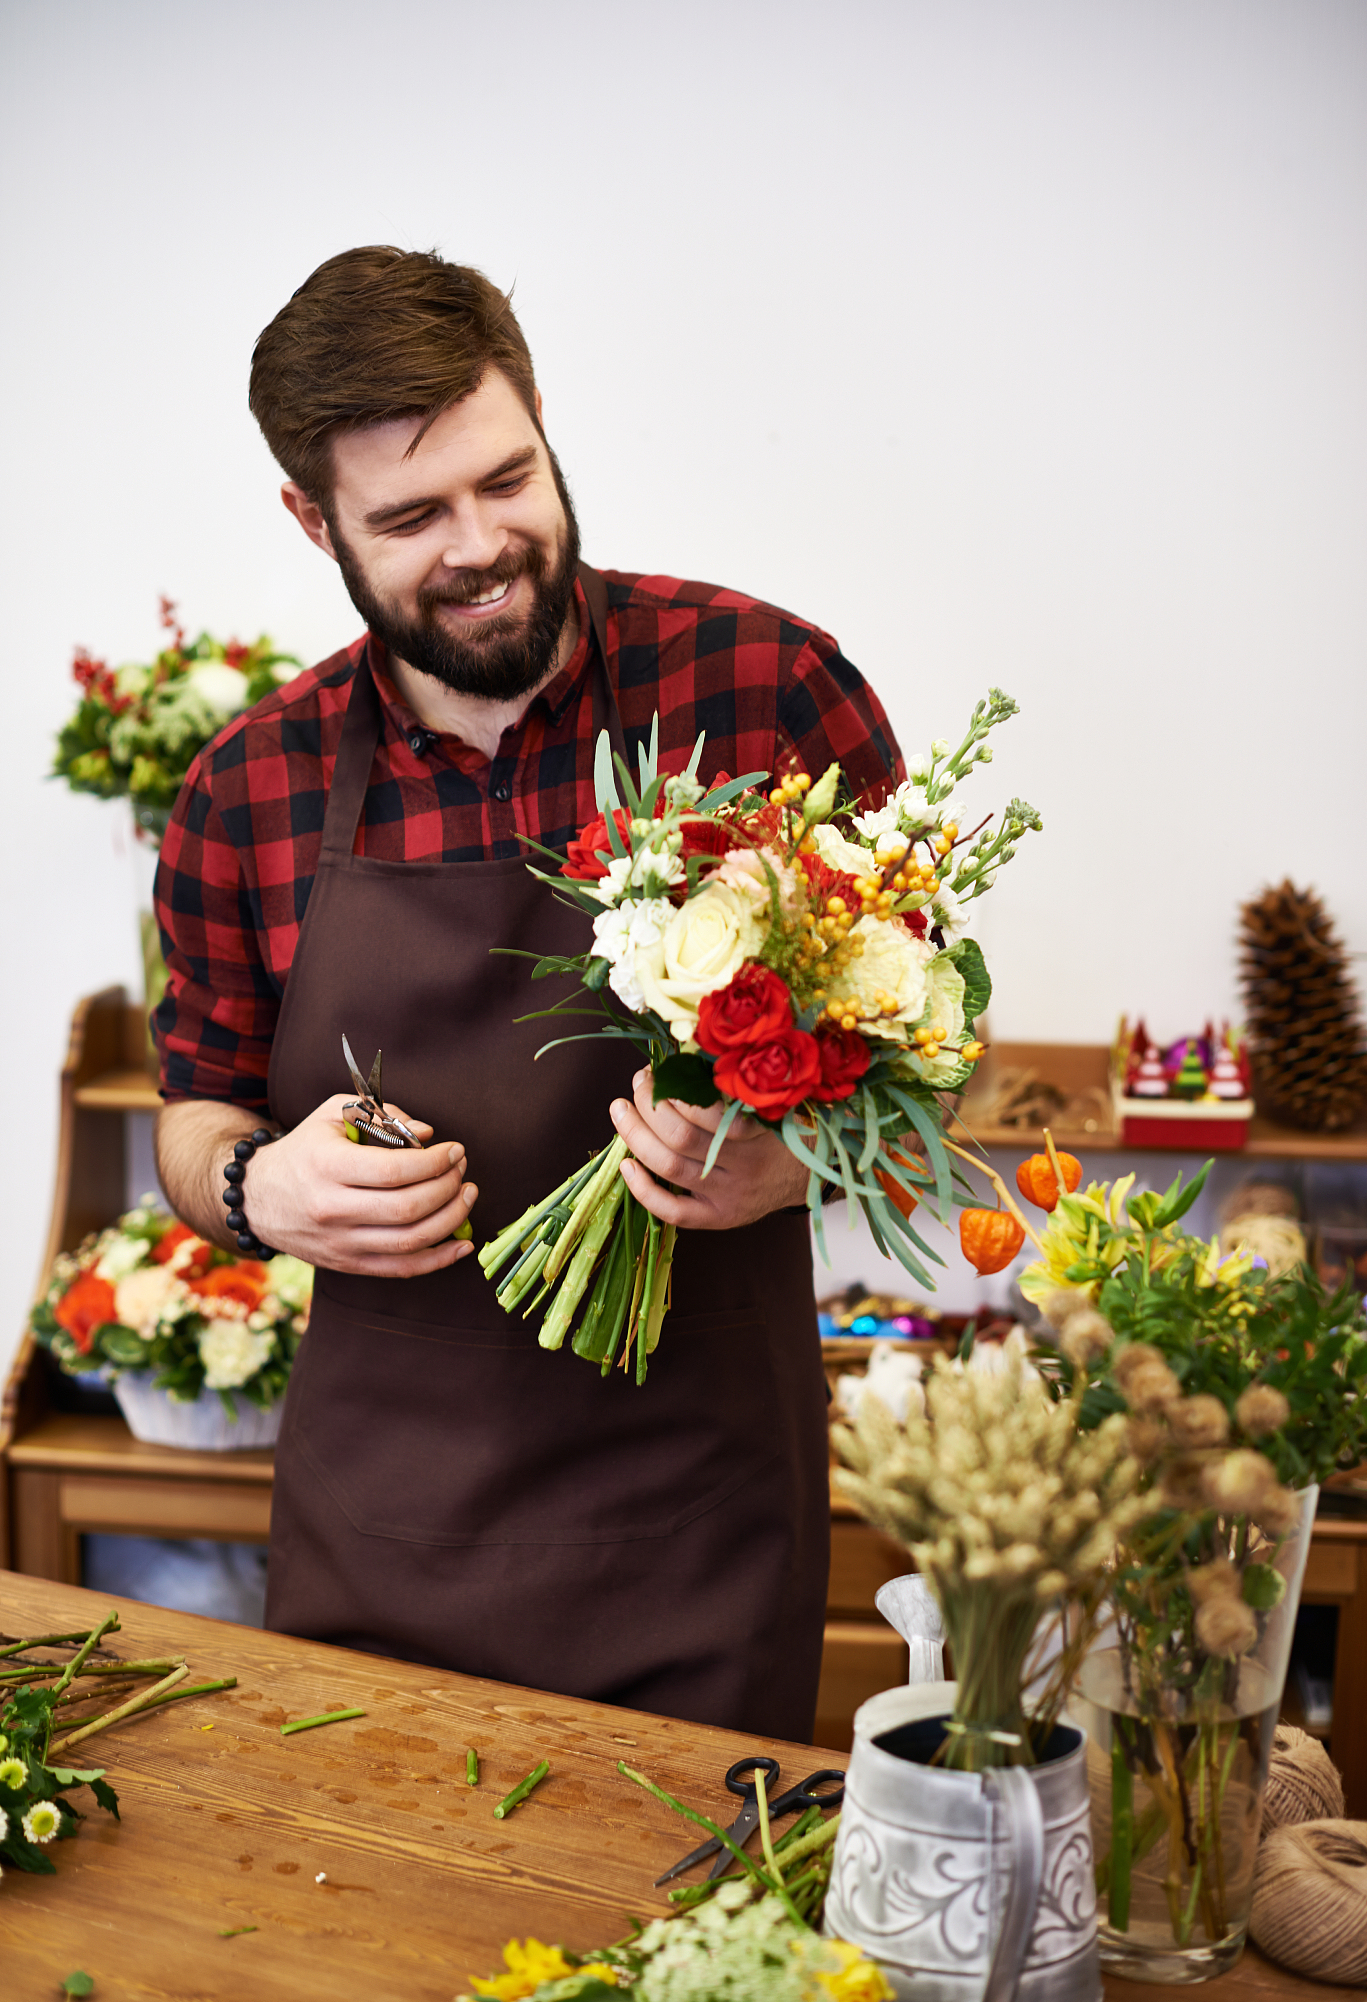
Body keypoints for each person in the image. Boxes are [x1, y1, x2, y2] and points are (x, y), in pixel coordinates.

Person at [153, 246, 904, 1741]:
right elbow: (197, 1115)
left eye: (507, 478)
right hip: (383, 1543)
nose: (483, 542)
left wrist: (800, 1153)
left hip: (700, 1543)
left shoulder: (760, 686)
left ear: (542, 413)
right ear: (313, 522)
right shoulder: (250, 787)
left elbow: (933, 1038)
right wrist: (256, 1186)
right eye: (414, 516)